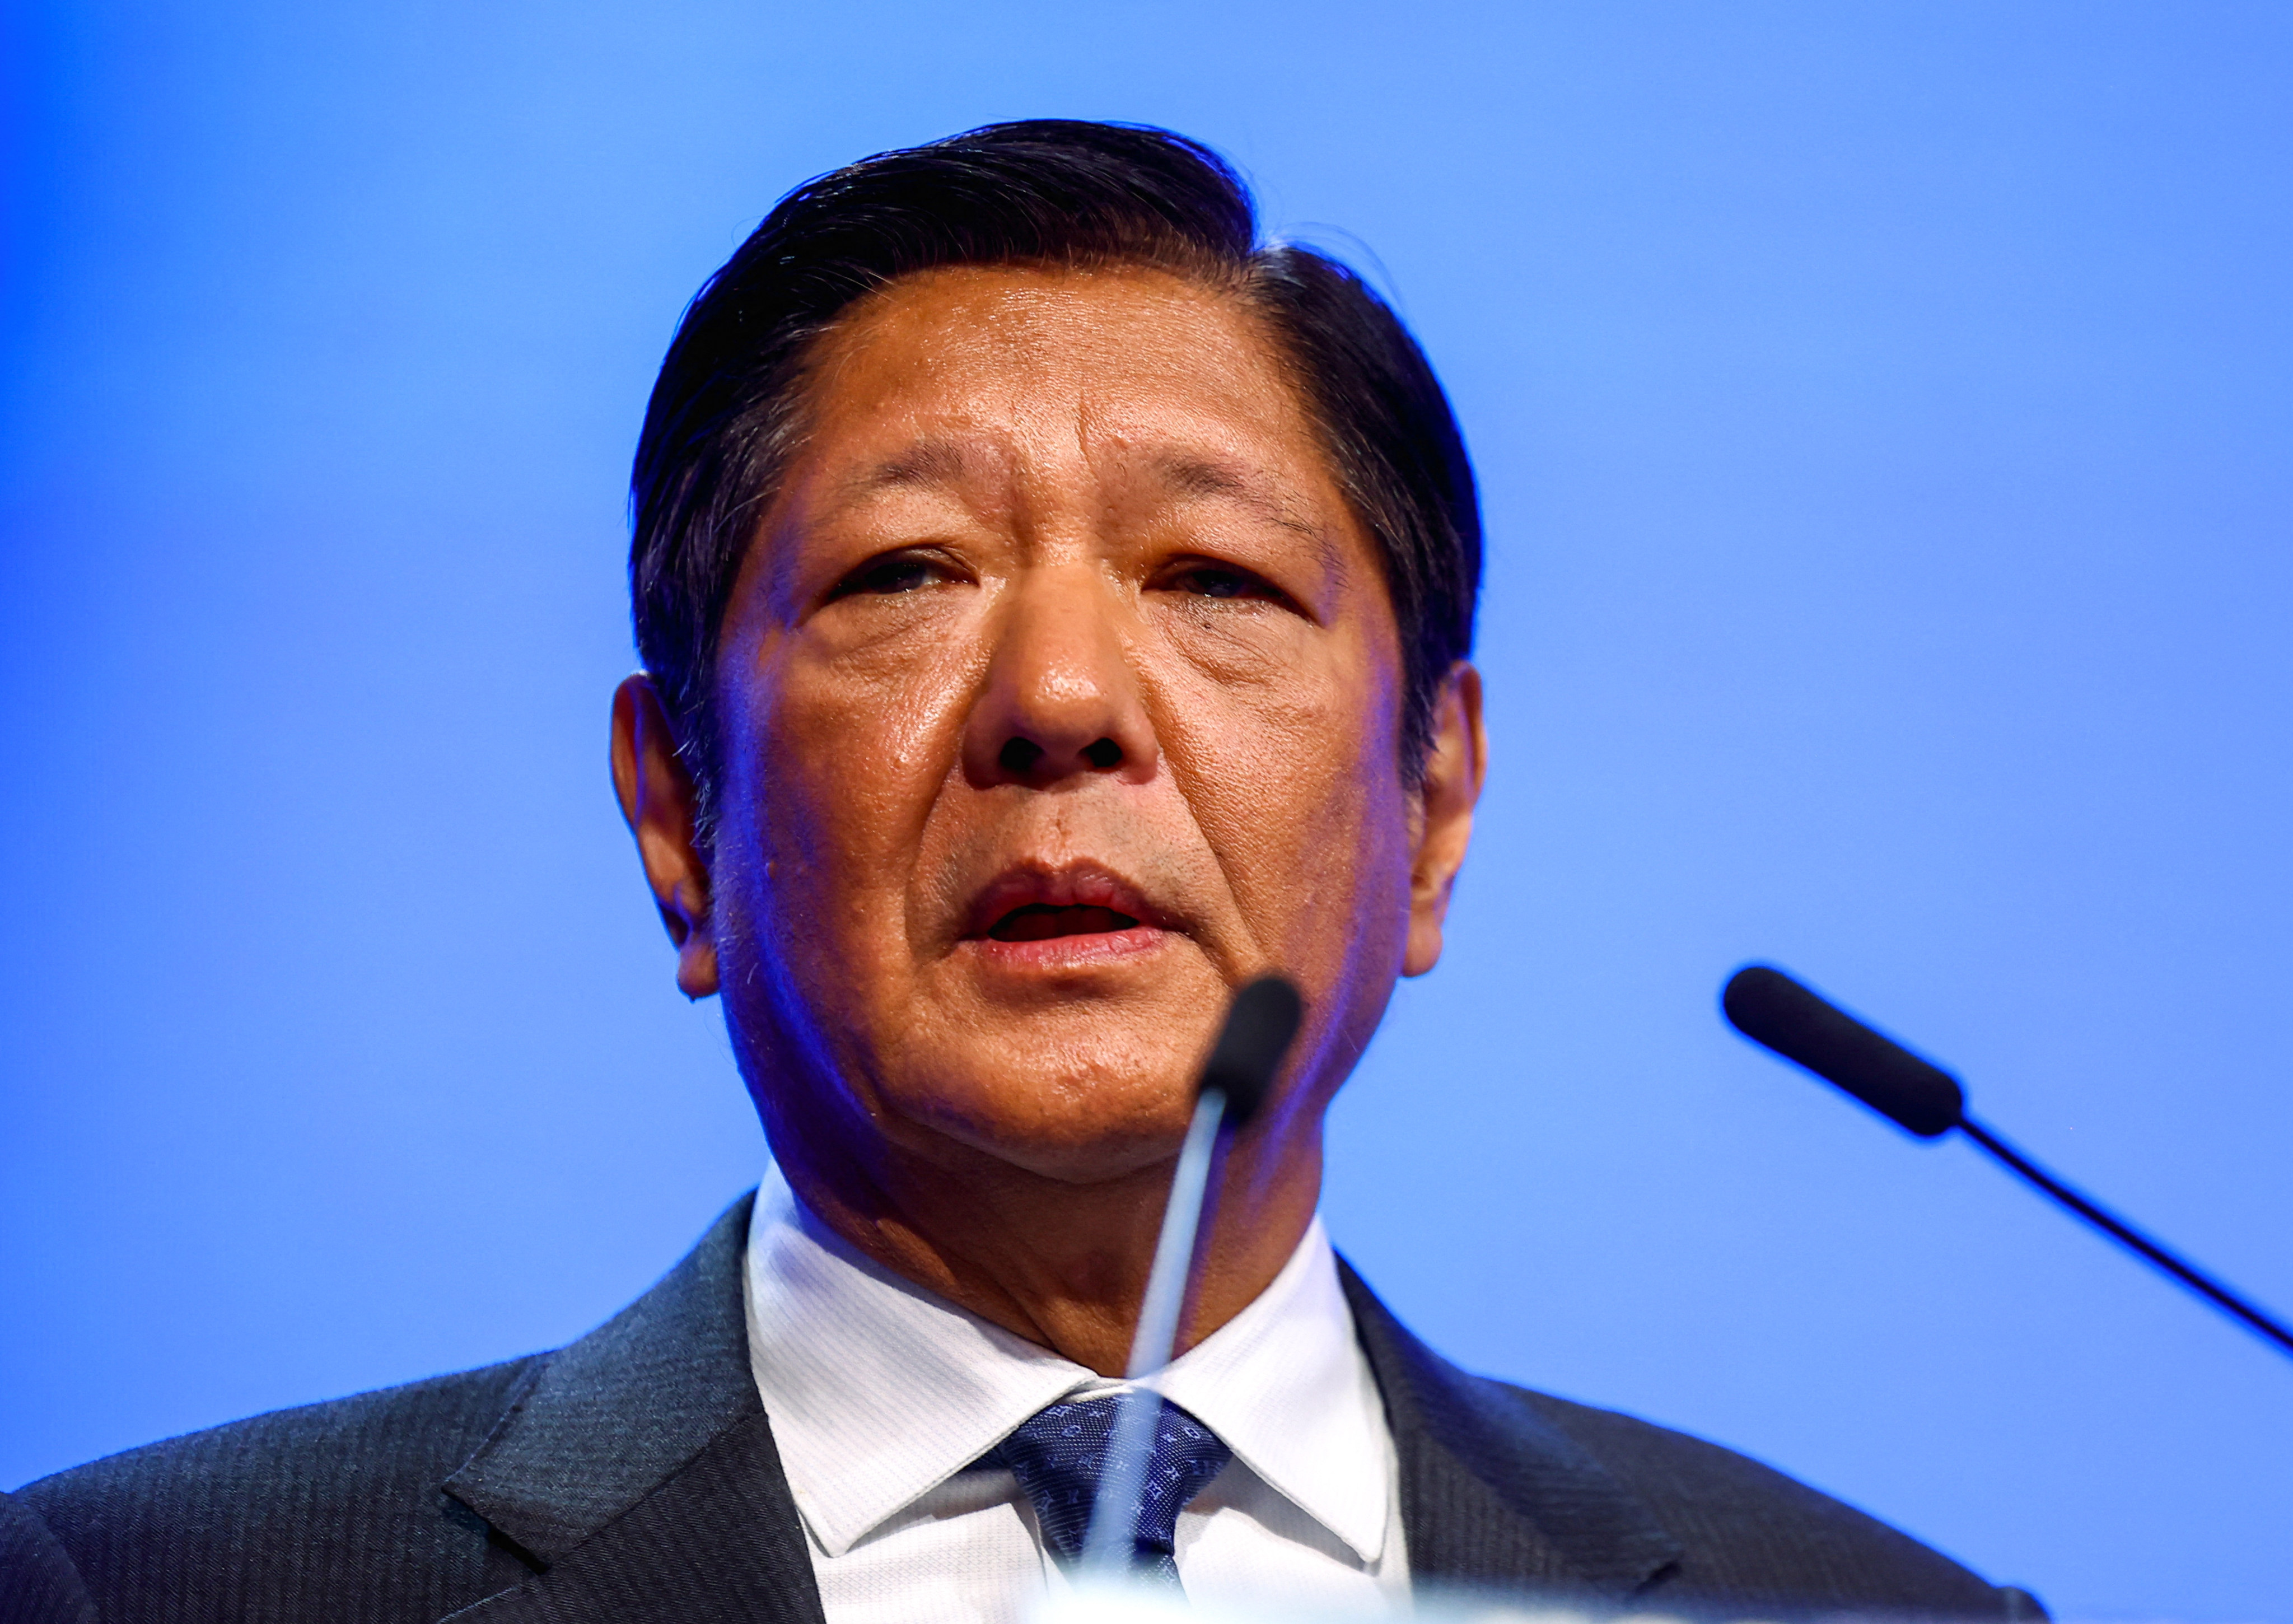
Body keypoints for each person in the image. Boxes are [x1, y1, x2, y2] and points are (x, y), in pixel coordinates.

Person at [0, 120, 2044, 1624]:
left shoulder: (1876, 1613)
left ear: (1433, 805)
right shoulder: (144, 1589)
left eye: (1214, 577)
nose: (1061, 695)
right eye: (907, 572)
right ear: (676, 819)